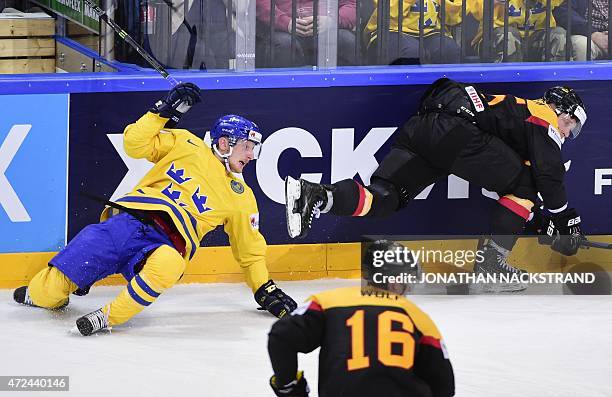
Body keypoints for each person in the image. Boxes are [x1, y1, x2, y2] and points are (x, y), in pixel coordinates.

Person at [13, 82, 297, 335]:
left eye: (254, 149)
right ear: (224, 142)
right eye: (247, 147)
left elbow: (250, 252)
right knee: (49, 293)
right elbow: (134, 144)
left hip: (165, 245)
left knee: (170, 264)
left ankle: (108, 317)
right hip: (126, 223)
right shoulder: (186, 143)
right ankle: (45, 293)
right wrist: (163, 111)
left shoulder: (242, 197)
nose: (251, 155)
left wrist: (263, 288)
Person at [286, 78, 587, 292]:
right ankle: (491, 267)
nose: (567, 131)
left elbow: (512, 198)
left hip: (423, 127)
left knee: (385, 198)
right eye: (570, 123)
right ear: (560, 109)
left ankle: (316, 195)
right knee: (527, 183)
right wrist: (563, 219)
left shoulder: (519, 115)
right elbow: (547, 176)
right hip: (458, 128)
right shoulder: (543, 114)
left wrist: (545, 224)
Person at [267, 240, 454, 397]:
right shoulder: (417, 316)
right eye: (408, 281)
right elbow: (444, 385)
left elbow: (281, 336)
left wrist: (289, 386)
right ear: (395, 283)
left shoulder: (329, 301)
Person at [256, 0, 357, 67]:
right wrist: (285, 22)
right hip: (282, 32)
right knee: (282, 44)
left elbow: (352, 5)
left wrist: (332, 20)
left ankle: (344, 96)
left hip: (325, 30)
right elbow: (260, 3)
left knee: (346, 41)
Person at [364, 0, 462, 65]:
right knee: (411, 52)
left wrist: (451, 5)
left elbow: (453, 19)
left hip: (431, 32)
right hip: (391, 29)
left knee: (449, 50)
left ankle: (446, 95)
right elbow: (389, 12)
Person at [470, 0, 568, 62]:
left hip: (535, 39)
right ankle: (506, 88)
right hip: (495, 39)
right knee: (508, 35)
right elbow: (476, 13)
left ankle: (553, 88)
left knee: (559, 35)